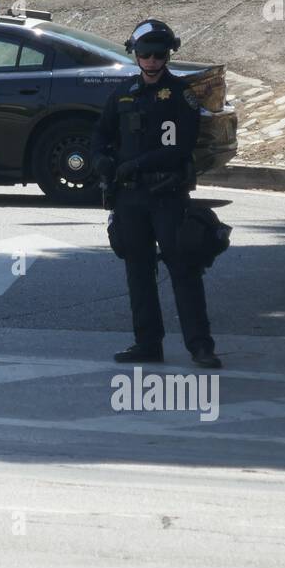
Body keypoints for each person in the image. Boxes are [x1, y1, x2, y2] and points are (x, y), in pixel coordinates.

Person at [90, 19, 221, 369]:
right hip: (129, 197)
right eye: (145, 53)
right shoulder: (122, 94)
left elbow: (182, 146)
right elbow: (100, 135)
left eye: (158, 54)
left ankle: (200, 346)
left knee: (183, 268)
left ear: (168, 54)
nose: (150, 60)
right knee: (138, 270)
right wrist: (101, 159)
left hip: (166, 194)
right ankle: (147, 342)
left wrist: (138, 164)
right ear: (135, 54)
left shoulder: (181, 95)